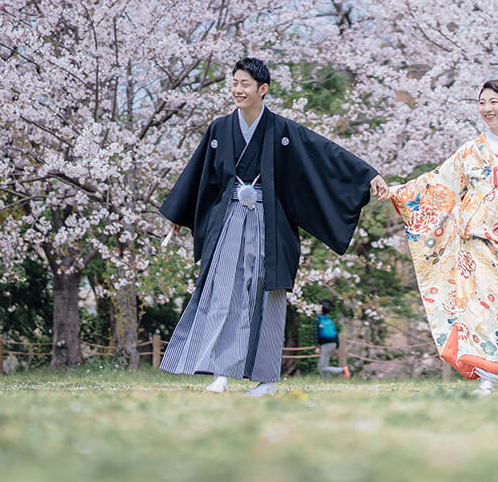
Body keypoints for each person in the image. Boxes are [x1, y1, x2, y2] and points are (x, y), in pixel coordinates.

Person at [158, 58, 388, 396]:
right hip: (230, 220)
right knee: (223, 292)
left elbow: (324, 153)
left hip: (269, 223)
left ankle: (267, 381)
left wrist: (368, 174)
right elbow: (199, 175)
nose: (238, 90)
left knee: (269, 296)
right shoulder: (220, 129)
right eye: (235, 82)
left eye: (245, 84)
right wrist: (178, 215)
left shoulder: (281, 131)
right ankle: (220, 373)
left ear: (262, 89)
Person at [391, 81, 498, 395]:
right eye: (482, 102)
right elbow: (438, 184)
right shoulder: (470, 151)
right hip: (475, 245)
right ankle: (488, 379)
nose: (487, 108)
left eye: (494, 101)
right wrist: (397, 192)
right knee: (478, 308)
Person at [316, 300, 349, 379]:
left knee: (321, 367)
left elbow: (315, 333)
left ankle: (342, 370)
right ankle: (326, 381)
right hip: (332, 344)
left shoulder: (317, 319)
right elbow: (335, 333)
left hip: (325, 344)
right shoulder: (328, 320)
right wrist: (336, 347)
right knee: (324, 365)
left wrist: (317, 346)